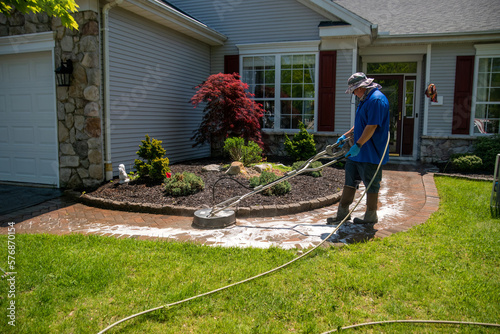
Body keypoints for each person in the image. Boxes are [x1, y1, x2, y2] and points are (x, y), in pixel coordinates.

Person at [327, 72, 390, 225]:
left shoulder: (376, 100)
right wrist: (346, 136)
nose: (354, 93)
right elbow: (361, 123)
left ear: (362, 87)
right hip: (357, 152)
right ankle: (342, 214)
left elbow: (372, 126)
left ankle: (370, 215)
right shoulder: (365, 99)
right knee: (350, 180)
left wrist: (358, 145)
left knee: (371, 183)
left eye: (355, 90)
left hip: (370, 152)